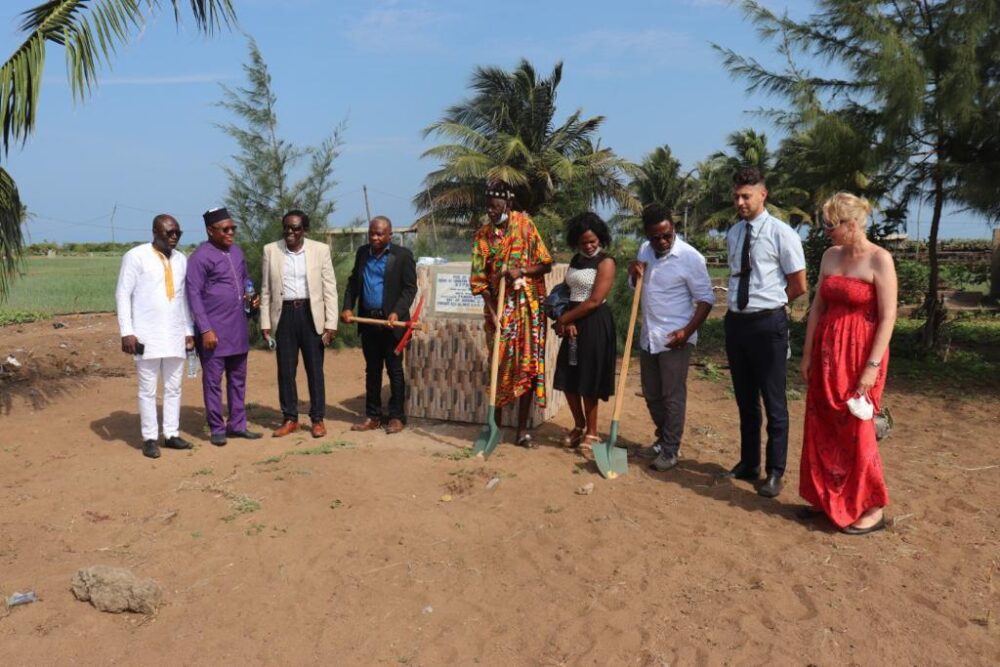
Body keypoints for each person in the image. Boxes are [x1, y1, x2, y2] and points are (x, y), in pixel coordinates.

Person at [799, 193, 896, 535]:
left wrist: (871, 367)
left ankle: (871, 508)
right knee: (823, 422)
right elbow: (817, 309)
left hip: (861, 355)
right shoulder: (830, 256)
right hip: (827, 354)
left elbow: (888, 318)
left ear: (851, 225)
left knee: (858, 426)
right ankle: (826, 497)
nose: (826, 232)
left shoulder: (879, 260)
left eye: (831, 225)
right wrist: (808, 353)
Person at [721, 167, 807, 497]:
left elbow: (798, 284)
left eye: (746, 196)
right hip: (736, 322)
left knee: (774, 401)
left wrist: (770, 305)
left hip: (767, 324)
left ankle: (775, 471)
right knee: (745, 399)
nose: (740, 202)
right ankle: (748, 462)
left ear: (763, 195)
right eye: (736, 197)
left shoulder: (781, 233)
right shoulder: (734, 233)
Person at [628, 205, 715, 472]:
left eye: (667, 235)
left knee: (672, 395)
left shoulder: (691, 258)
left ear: (673, 228)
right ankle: (661, 438)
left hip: (676, 336)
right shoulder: (644, 250)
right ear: (647, 234)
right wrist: (633, 273)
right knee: (652, 393)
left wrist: (686, 332)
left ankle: (670, 449)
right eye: (656, 237)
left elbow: (706, 299)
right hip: (649, 335)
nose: (662, 242)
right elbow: (636, 284)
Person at [470, 180, 552, 447]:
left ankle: (522, 431)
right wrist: (493, 311)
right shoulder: (482, 236)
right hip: (498, 312)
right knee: (499, 365)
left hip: (526, 309)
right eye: (488, 208)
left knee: (525, 367)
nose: (491, 212)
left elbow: (545, 263)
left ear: (507, 204)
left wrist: (522, 272)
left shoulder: (526, 227)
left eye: (496, 207)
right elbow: (479, 279)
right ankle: (493, 425)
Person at [115, 214, 195, 459]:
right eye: (168, 233)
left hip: (174, 333)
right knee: (147, 389)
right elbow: (122, 294)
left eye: (177, 234)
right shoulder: (135, 256)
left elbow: (184, 299)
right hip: (145, 335)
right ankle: (149, 438)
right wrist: (127, 331)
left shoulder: (182, 259)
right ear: (154, 232)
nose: (173, 237)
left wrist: (188, 331)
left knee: (174, 387)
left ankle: (171, 434)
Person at [186, 207, 261, 446]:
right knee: (213, 381)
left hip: (237, 328)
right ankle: (217, 427)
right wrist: (205, 329)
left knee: (238, 380)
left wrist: (252, 295)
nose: (231, 233)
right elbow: (194, 295)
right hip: (214, 332)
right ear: (210, 230)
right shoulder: (200, 257)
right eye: (225, 229)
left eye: (233, 228)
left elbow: (245, 279)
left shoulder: (237, 252)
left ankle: (237, 424)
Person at [261, 210, 339, 439]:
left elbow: (330, 289)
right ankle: (290, 418)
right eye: (286, 227)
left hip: (311, 314)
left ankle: (317, 419)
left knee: (315, 370)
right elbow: (265, 290)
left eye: (295, 228)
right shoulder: (271, 250)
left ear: (304, 229)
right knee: (285, 371)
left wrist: (331, 323)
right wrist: (265, 322)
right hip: (283, 315)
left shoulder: (320, 250)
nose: (290, 232)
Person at [341, 215, 417, 434]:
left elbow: (409, 289)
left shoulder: (402, 256)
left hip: (392, 325)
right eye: (372, 233)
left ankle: (396, 416)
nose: (374, 237)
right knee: (372, 371)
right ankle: (373, 416)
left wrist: (397, 312)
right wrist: (348, 307)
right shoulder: (362, 253)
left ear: (389, 235)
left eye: (379, 234)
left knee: (394, 371)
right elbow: (354, 282)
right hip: (368, 322)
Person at [552, 212, 617, 449]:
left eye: (593, 241)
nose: (589, 246)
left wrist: (565, 319)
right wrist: (567, 322)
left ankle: (592, 431)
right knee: (569, 376)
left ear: (600, 238)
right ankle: (578, 425)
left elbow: (594, 300)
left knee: (588, 377)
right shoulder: (575, 261)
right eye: (583, 242)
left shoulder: (606, 262)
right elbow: (570, 293)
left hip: (594, 322)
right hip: (572, 322)